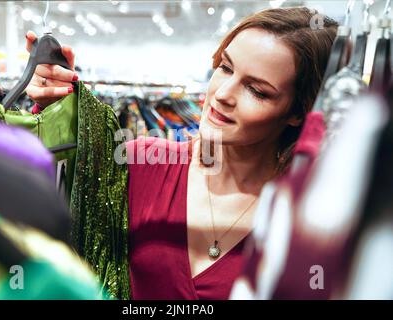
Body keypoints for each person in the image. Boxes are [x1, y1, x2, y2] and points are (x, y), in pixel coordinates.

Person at [24, 7, 338, 299]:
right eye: (225, 68)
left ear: (298, 111)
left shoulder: (305, 215)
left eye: (256, 90)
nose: (223, 94)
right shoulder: (139, 163)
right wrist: (57, 112)